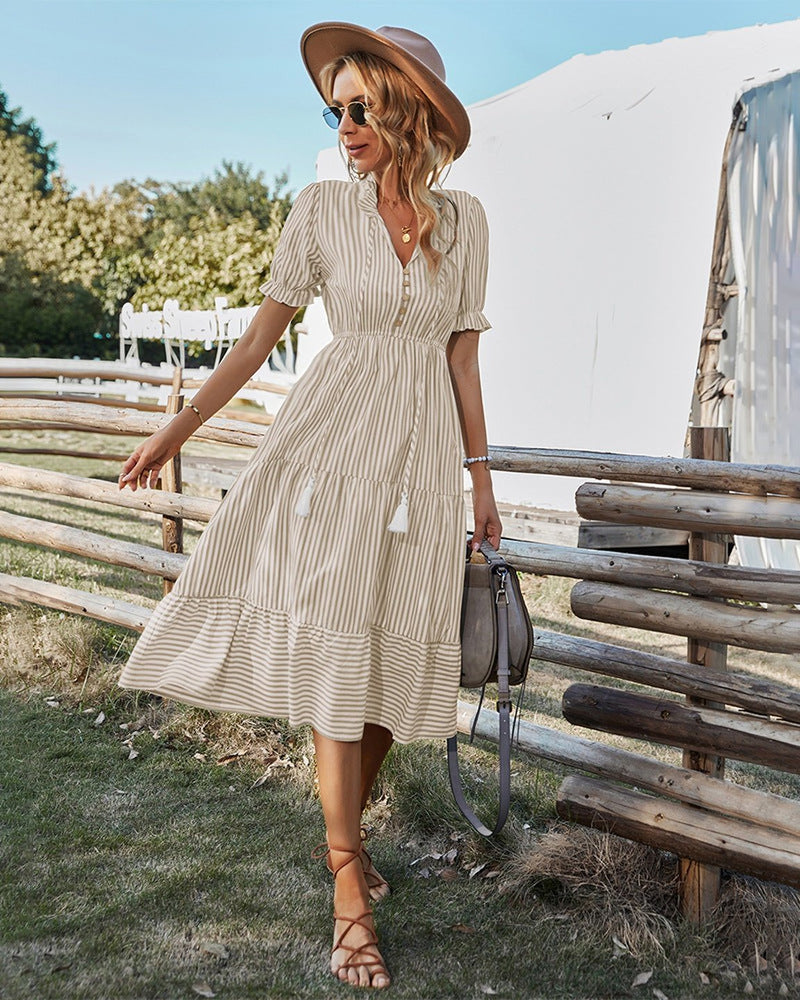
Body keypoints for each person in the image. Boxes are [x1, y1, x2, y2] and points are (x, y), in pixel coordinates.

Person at [117, 22, 501, 990]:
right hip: (330, 455)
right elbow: (256, 345)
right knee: (337, 647)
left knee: (387, 659)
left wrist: (482, 481)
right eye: (333, 108)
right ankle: (346, 892)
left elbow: (461, 359)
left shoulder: (466, 226)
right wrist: (179, 430)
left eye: (361, 105)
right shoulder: (319, 212)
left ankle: (344, 839)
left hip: (419, 471)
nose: (344, 124)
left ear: (406, 107)